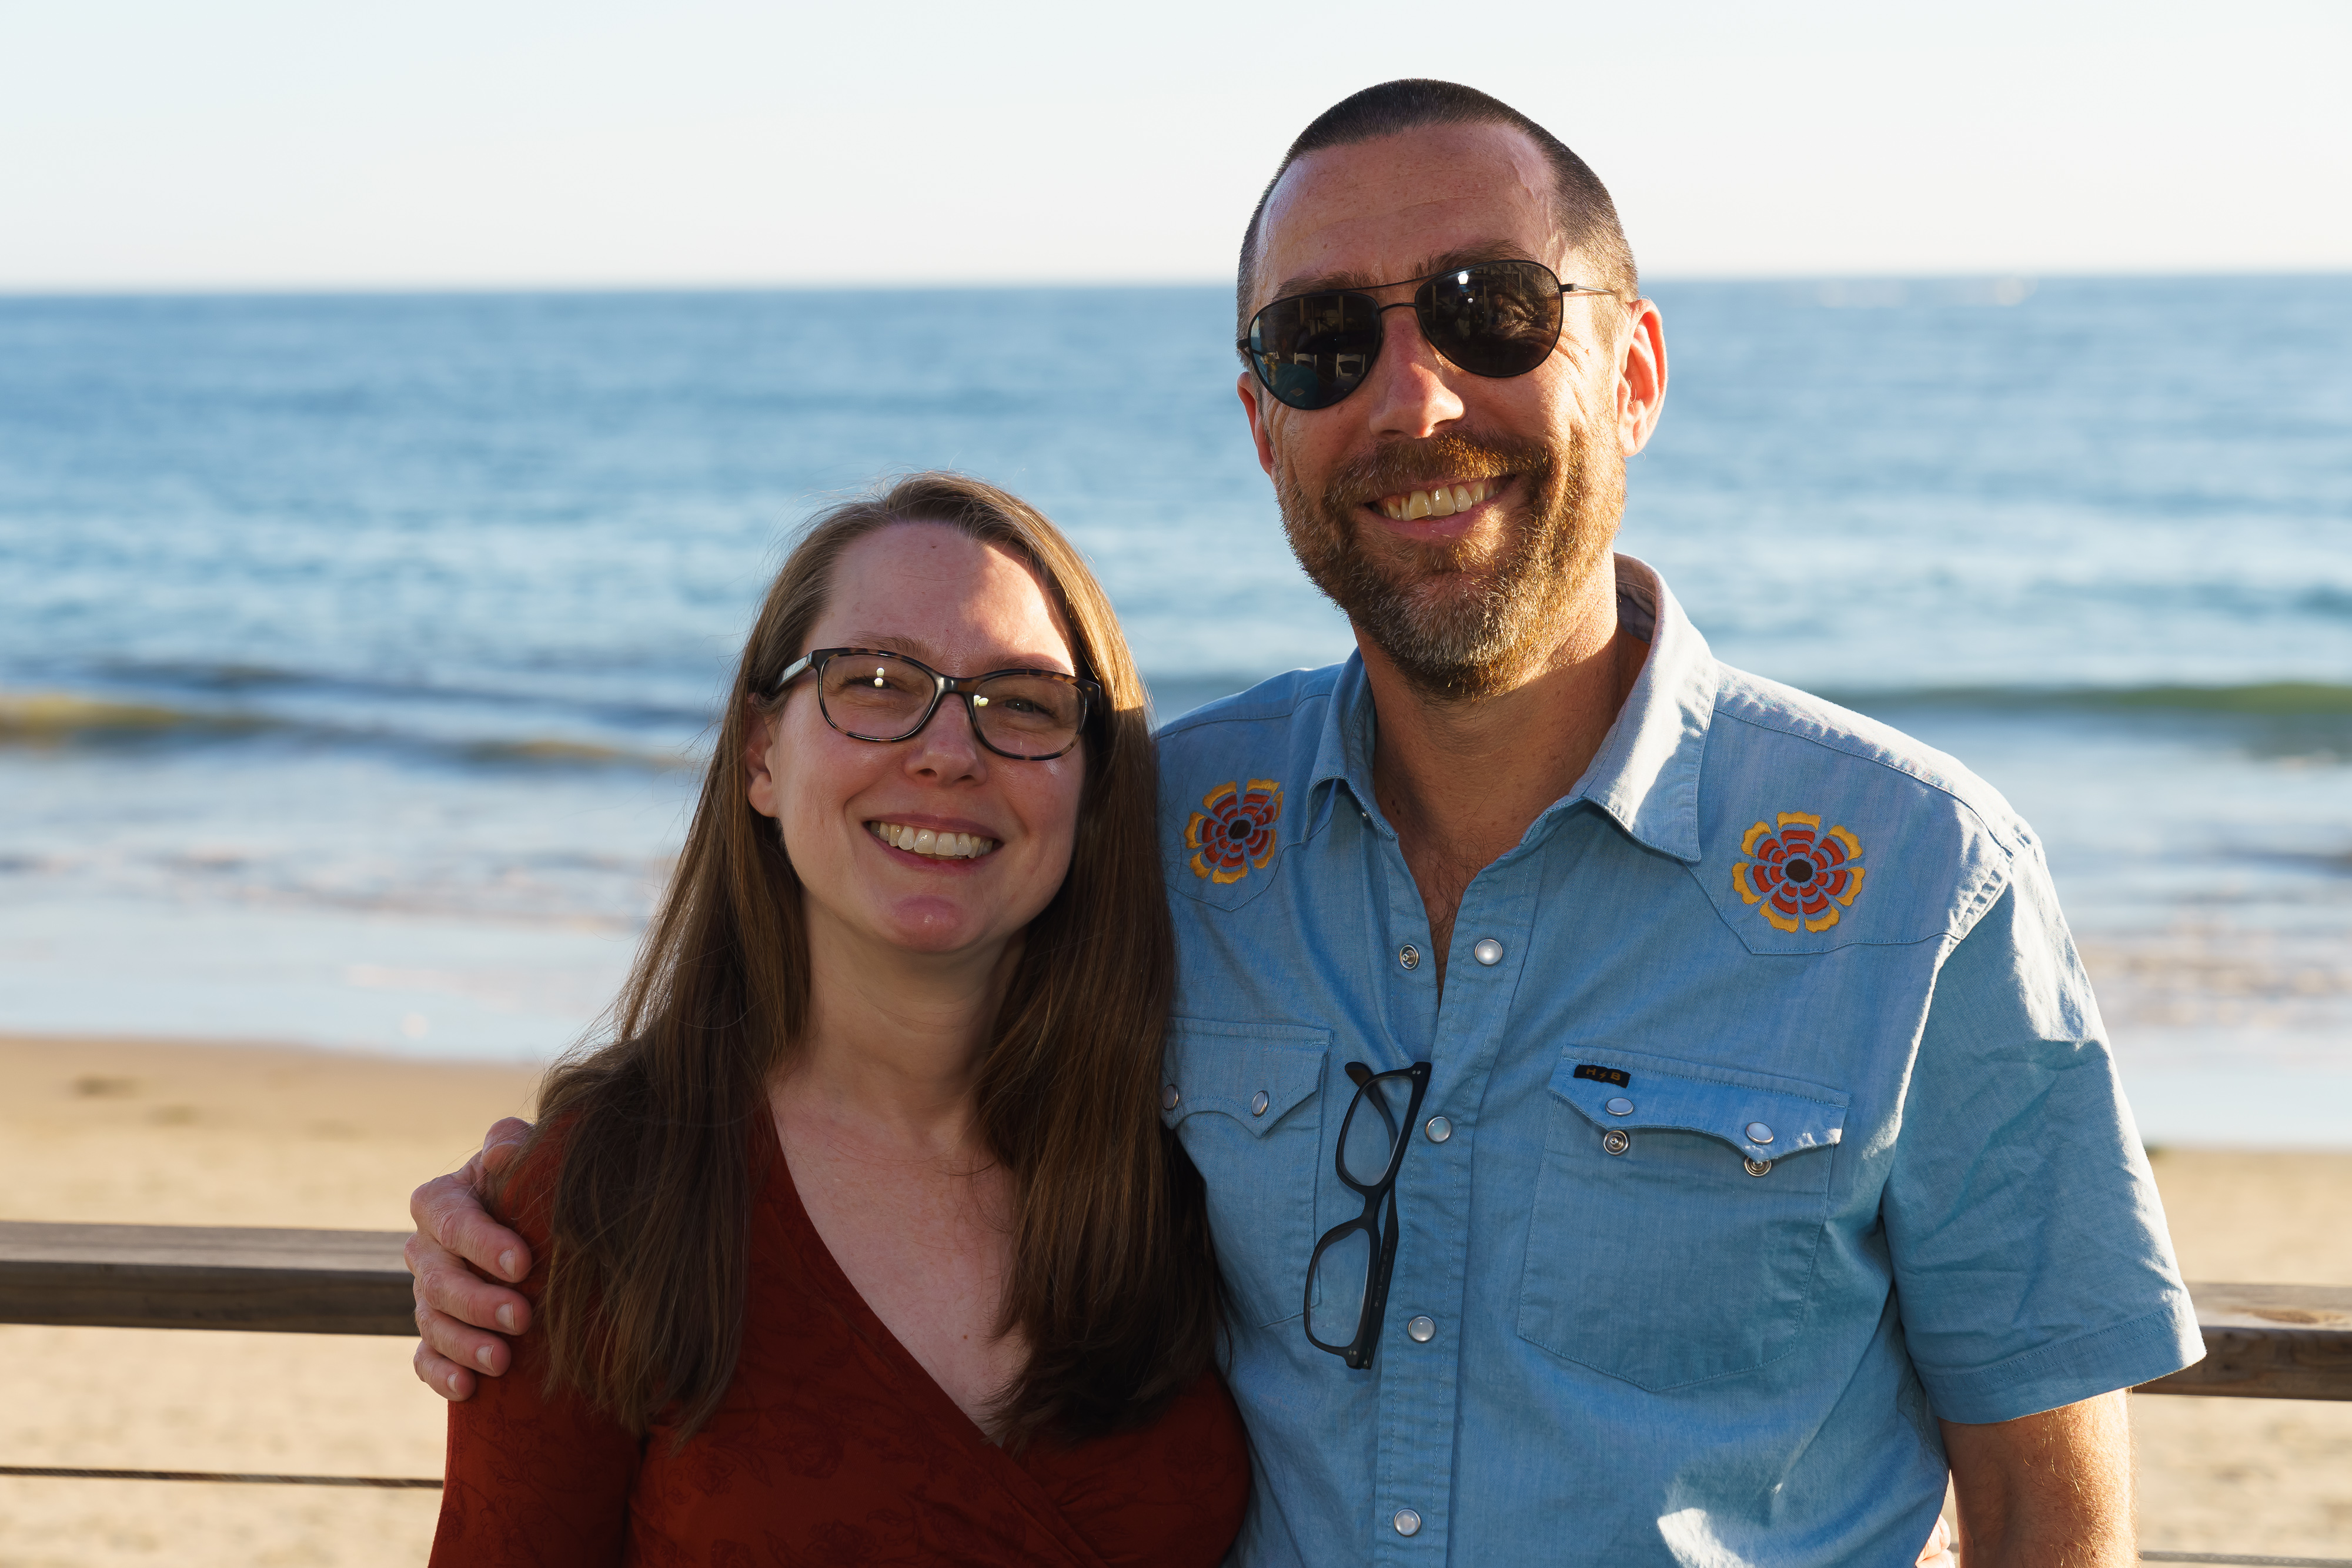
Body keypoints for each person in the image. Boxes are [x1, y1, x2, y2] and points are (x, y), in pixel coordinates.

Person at [410, 83, 2201, 1567]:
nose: (1413, 401)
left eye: (1493, 310)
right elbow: (878, 1037)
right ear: (1264, 424)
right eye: (1328, 342)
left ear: (1636, 370)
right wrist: (539, 1206)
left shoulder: (1920, 884)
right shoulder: (1162, 834)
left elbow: (2050, 1508)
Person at [423, 473, 1250, 1565]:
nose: (950, 749)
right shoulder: (607, 1196)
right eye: (873, 681)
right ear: (764, 755)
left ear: (1095, 789)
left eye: (1026, 703)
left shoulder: (1210, 1154)